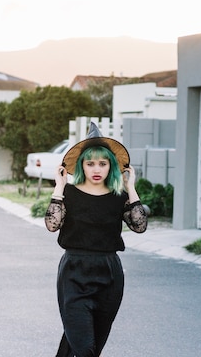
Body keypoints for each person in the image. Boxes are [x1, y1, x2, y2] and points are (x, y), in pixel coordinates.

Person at [45, 122, 148, 357]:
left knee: (92, 346)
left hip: (109, 275)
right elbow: (52, 224)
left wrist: (130, 188)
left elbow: (139, 225)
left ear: (111, 166)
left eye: (103, 163)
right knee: (84, 347)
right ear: (82, 165)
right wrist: (59, 187)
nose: (96, 169)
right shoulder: (68, 194)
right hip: (74, 272)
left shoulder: (118, 196)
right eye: (90, 163)